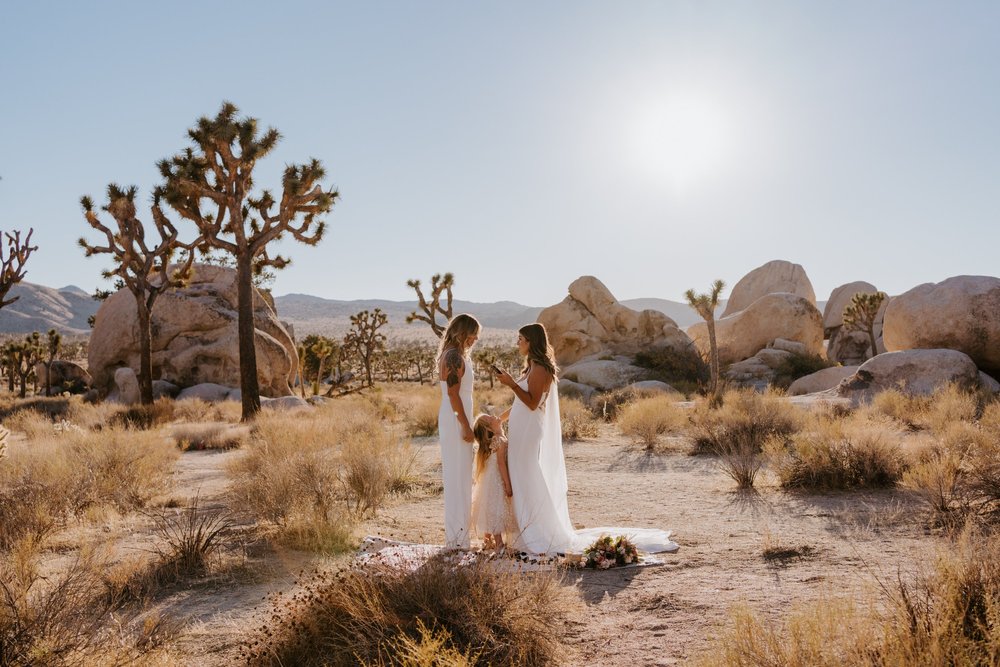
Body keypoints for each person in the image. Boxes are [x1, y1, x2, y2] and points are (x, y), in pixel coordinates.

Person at [496, 323, 678, 556]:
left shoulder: (540, 368)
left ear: (531, 341)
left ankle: (536, 531)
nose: (517, 343)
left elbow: (532, 403)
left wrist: (511, 384)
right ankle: (524, 529)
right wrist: (500, 419)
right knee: (520, 474)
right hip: (521, 429)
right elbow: (520, 403)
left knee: (526, 473)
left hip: (529, 431)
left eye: (520, 338)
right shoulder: (530, 367)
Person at [437, 313, 481, 549]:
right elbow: (453, 394)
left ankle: (458, 537)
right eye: (473, 333)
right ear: (463, 332)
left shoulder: (454, 354)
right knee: (457, 478)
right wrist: (465, 425)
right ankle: (457, 540)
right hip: (456, 419)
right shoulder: (453, 356)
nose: (475, 339)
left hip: (454, 416)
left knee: (460, 476)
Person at [470, 413, 516, 552]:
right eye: (490, 419)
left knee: (489, 508)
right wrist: (508, 484)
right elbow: (501, 464)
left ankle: (487, 540)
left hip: (488, 479)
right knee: (496, 508)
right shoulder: (499, 439)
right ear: (489, 429)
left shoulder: (497, 438)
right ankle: (499, 543)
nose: (495, 417)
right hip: (495, 479)